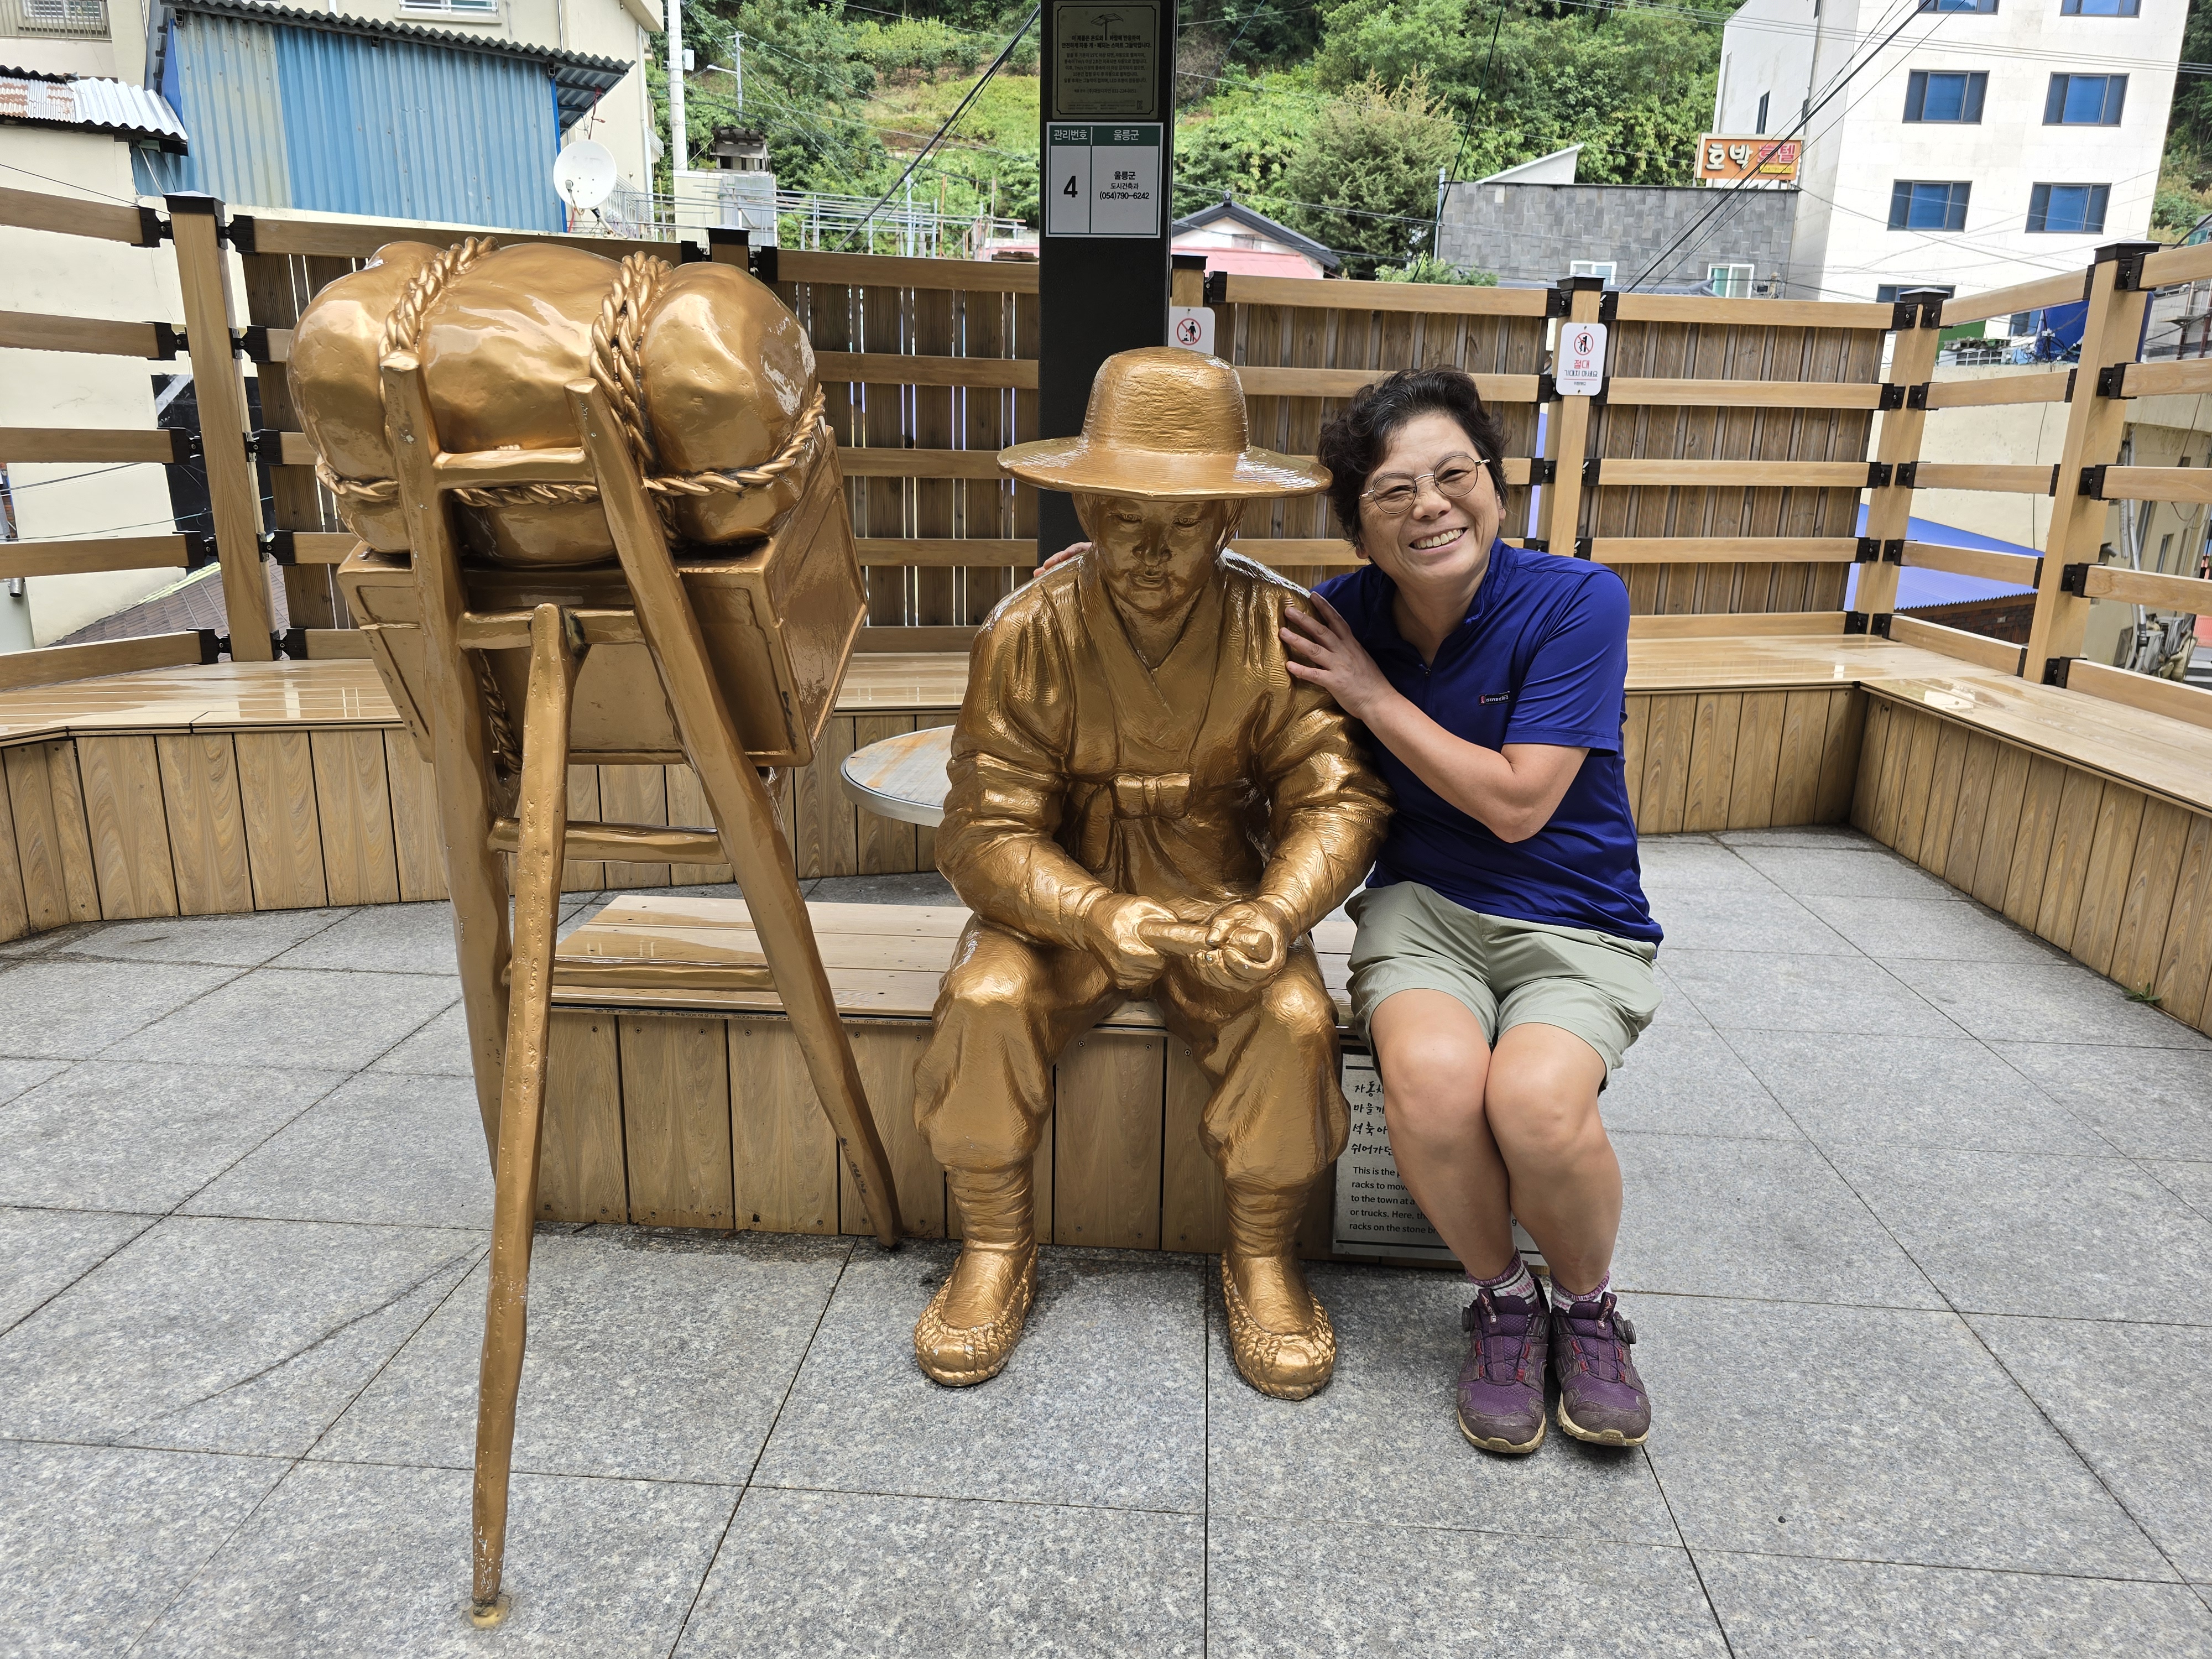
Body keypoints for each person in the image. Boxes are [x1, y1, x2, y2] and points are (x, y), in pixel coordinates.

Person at [912, 347, 1392, 1400]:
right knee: (984, 997)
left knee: (1296, 1019)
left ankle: (1262, 1256)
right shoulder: (1026, 632)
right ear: (1086, 508)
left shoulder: (1278, 630)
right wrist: (1089, 910)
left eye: (1184, 523)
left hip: (1223, 905)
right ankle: (993, 1244)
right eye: (1124, 517)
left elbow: (1337, 798)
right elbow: (981, 831)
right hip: (1058, 907)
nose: (1149, 551)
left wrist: (1279, 910)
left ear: (1229, 520)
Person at [1281, 366, 1662, 1454]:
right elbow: (1209, 613)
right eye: (1393, 491)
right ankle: (1502, 1300)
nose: (1430, 507)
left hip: (1575, 917)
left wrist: (1368, 694)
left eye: (1454, 476)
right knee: (1436, 1085)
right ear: (1358, 524)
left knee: (1536, 1103)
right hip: (1425, 909)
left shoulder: (1578, 601)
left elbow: (1516, 803)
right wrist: (1088, 577)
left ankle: (1587, 1310)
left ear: (1495, 486)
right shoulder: (1344, 614)